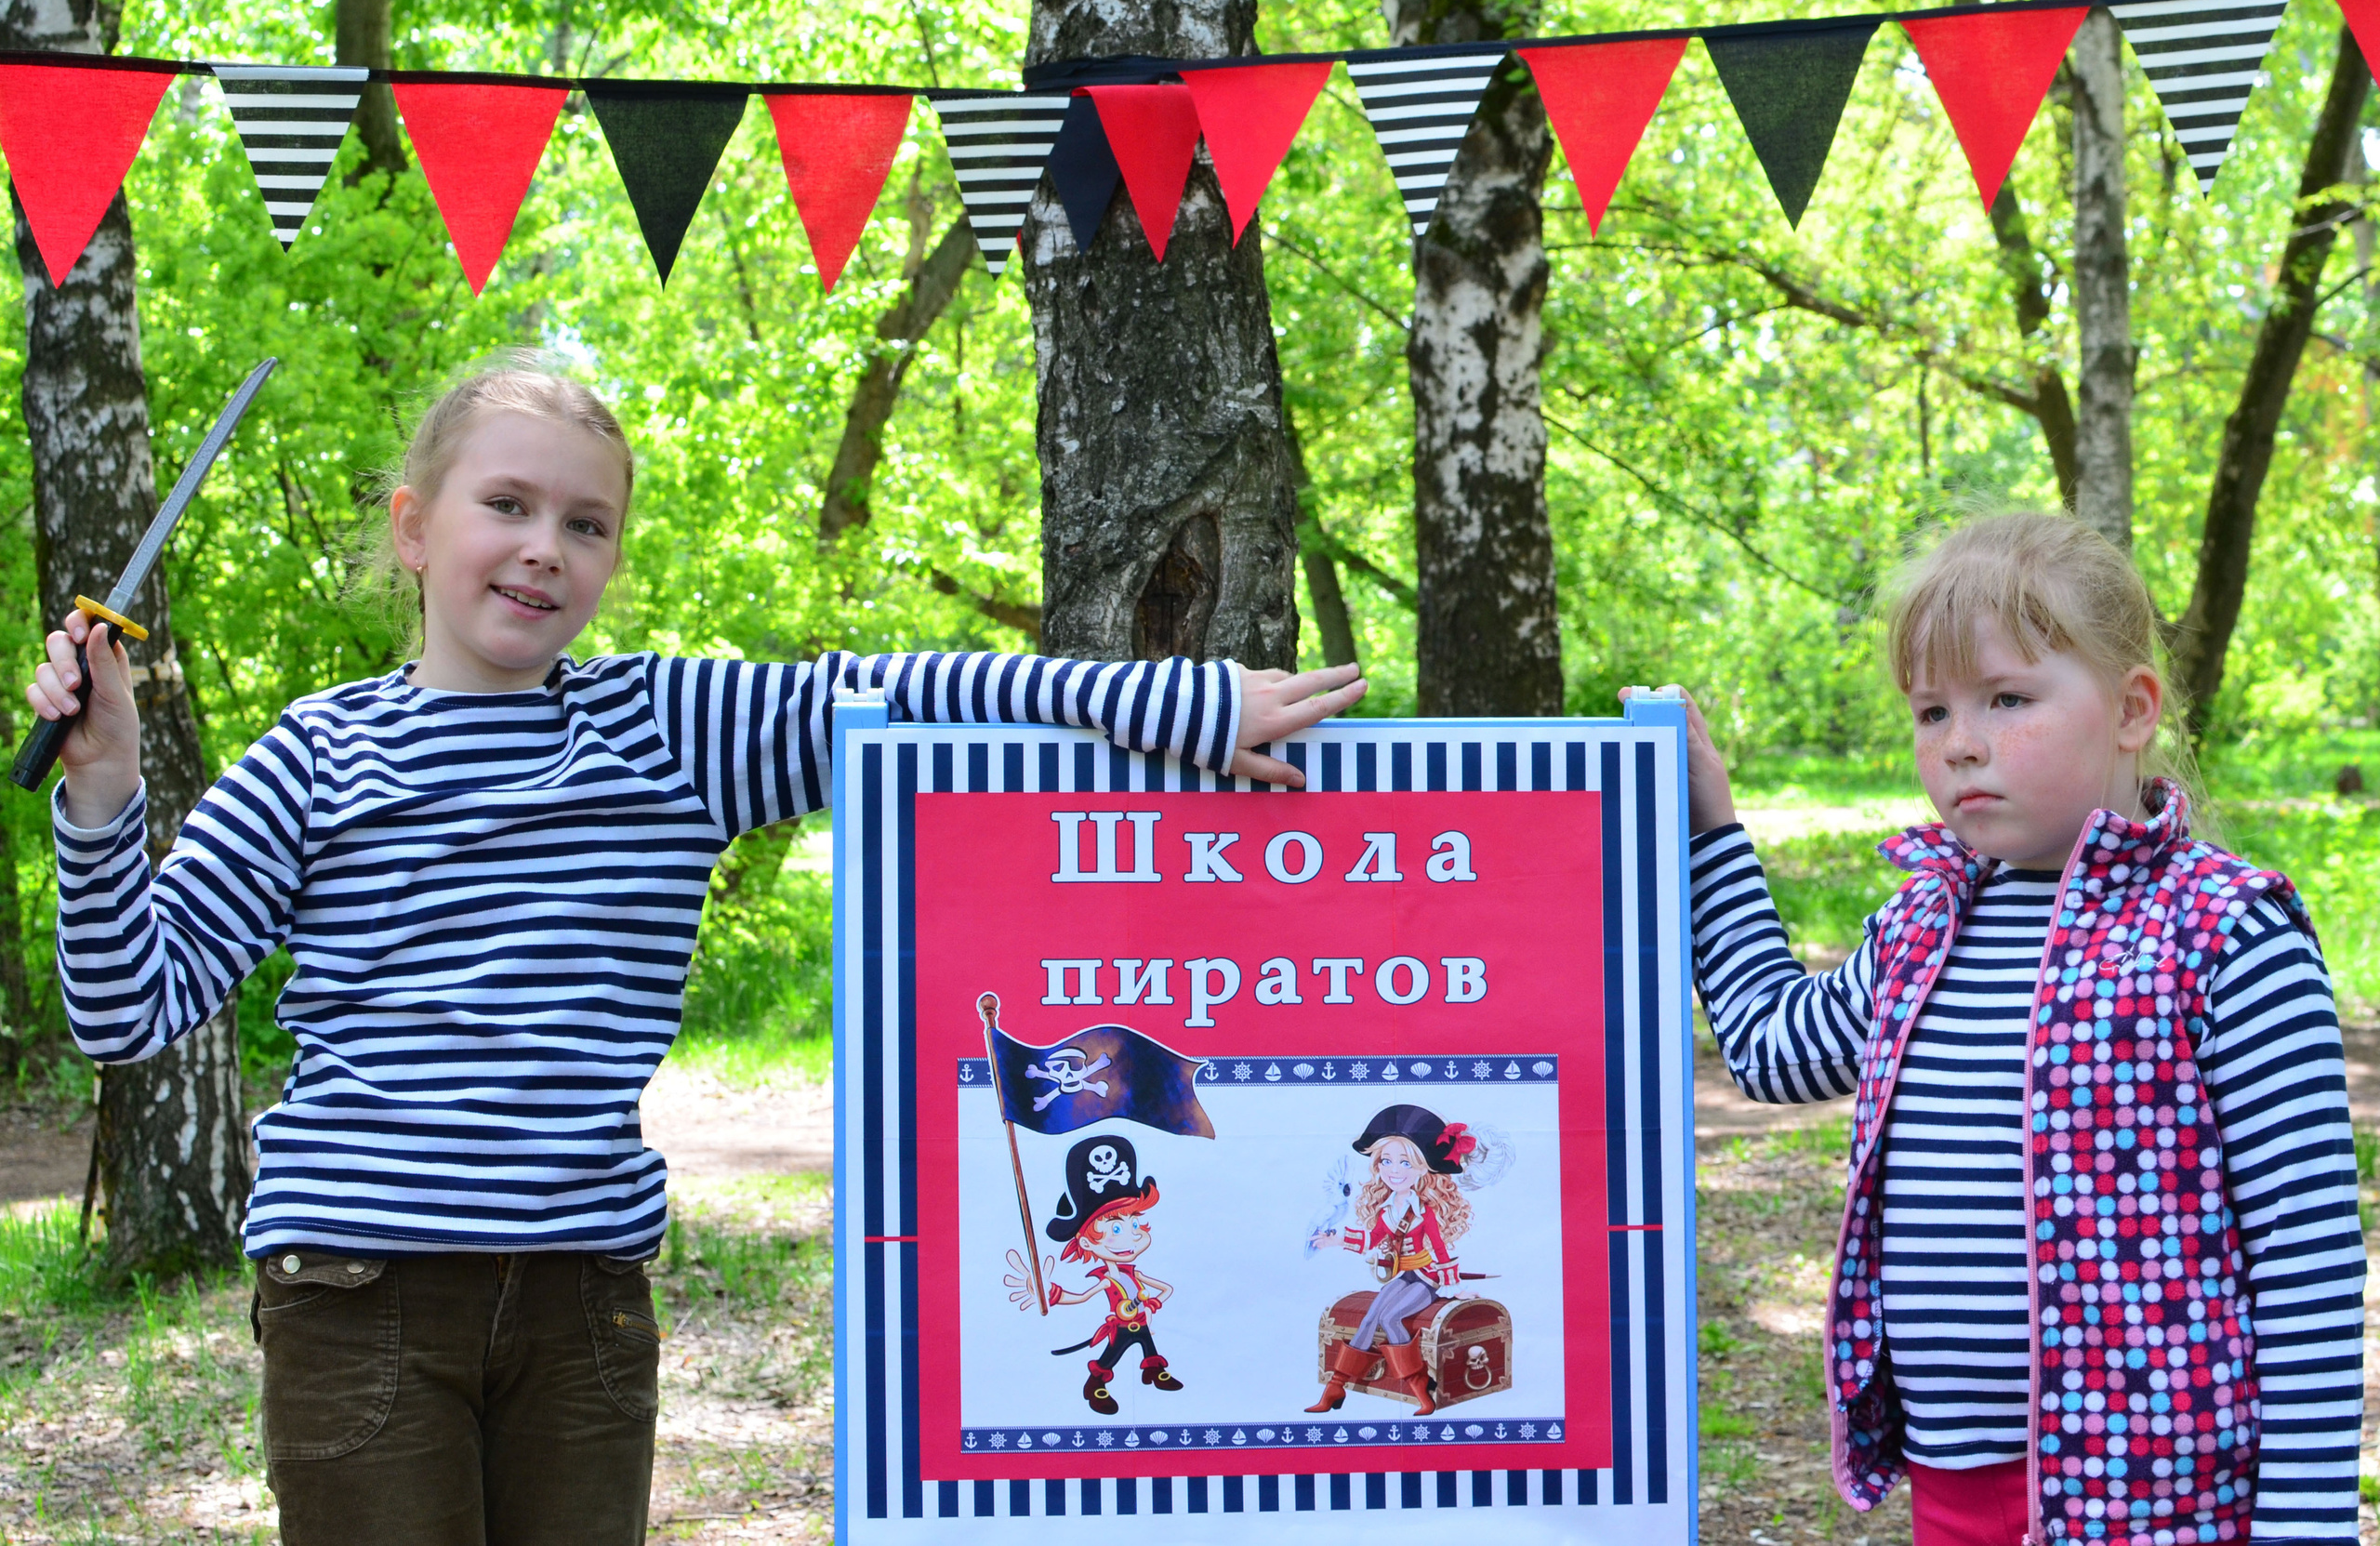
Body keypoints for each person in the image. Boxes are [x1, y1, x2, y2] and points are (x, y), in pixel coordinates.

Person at [24, 355, 1367, 1546]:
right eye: (508, 504)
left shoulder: (669, 728)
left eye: (585, 523)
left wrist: (1175, 703)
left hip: (584, 1301)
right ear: (416, 527)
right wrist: (103, 787)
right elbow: (128, 1010)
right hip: (360, 1293)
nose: (544, 547)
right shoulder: (315, 755)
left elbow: (917, 691)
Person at [1645, 511, 2360, 1546]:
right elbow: (1767, 1044)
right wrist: (1711, 829)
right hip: (1957, 1492)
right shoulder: (1924, 922)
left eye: (2007, 699)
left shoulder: (2223, 932)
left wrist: (2305, 1526)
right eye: (1931, 711)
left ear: (2131, 710)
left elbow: (2307, 1261)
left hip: (2163, 1499)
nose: (1961, 743)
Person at [1304, 1103, 1479, 1415]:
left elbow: (1440, 1251)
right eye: (1386, 1160)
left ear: (1423, 1168)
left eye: (1405, 1162)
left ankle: (1420, 1387)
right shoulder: (1388, 1209)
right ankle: (1336, 1387)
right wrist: (1337, 1240)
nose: (1394, 1170)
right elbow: (1373, 1239)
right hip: (1403, 1276)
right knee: (1370, 1317)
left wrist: (1455, 1289)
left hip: (1426, 1280)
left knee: (1391, 1319)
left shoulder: (1424, 1211)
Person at [1007, 1133, 1179, 1413]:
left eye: (1135, 1224)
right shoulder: (1107, 1280)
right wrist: (1049, 1292)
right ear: (1086, 1242)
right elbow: (1082, 1297)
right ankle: (1095, 1384)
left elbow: (1166, 1289)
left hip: (1141, 1323)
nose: (1132, 1237)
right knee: (1110, 1357)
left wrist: (1151, 1305)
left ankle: (1155, 1372)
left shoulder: (1134, 1273)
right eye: (1116, 1229)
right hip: (1121, 1327)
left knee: (1149, 1347)